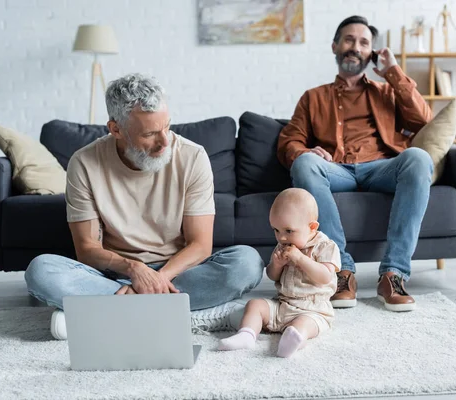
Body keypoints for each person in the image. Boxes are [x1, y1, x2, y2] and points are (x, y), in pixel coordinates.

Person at [24, 73, 264, 339]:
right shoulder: (84, 163)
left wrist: (158, 279)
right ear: (116, 129)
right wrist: (134, 270)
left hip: (177, 273)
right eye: (150, 134)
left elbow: (200, 245)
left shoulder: (193, 157)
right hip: (111, 275)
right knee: (41, 271)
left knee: (248, 263)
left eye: (167, 127)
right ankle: (183, 313)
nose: (164, 142)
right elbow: (87, 249)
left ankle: (102, 312)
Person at [277, 16, 434, 312]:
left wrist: (393, 73)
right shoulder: (313, 98)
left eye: (364, 43)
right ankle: (341, 272)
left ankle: (394, 274)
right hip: (336, 170)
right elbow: (289, 142)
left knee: (418, 157)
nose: (355, 47)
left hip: (381, 167)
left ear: (371, 52)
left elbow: (423, 120)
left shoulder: (387, 91)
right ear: (335, 46)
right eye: (349, 40)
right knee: (304, 163)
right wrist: (307, 150)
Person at [217, 188, 340, 358]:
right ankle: (246, 335)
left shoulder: (326, 246)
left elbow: (325, 277)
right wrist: (277, 265)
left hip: (313, 310)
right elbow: (272, 276)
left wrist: (301, 259)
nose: (281, 237)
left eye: (288, 231)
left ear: (311, 227)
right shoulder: (284, 245)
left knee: (303, 325)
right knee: (255, 305)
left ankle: (294, 340)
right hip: (283, 305)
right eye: (276, 230)